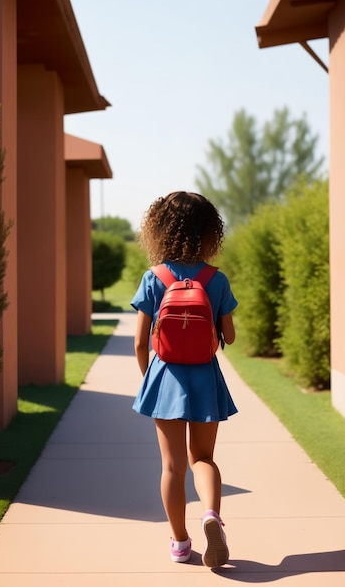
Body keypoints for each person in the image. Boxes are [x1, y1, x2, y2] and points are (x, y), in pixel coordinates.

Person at [131, 191, 238, 568]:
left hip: (166, 377)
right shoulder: (216, 279)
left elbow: (140, 342)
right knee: (204, 458)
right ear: (211, 231)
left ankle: (179, 542)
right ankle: (212, 515)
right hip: (205, 379)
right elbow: (230, 335)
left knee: (172, 466)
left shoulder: (154, 277)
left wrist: (151, 380)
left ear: (159, 230)